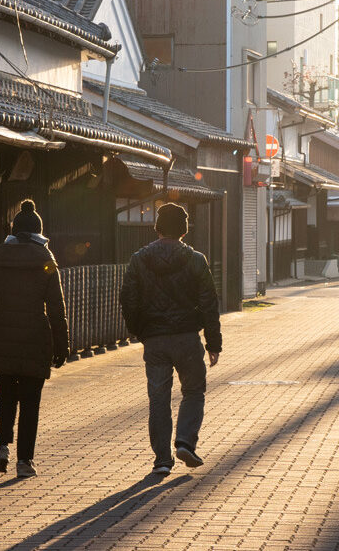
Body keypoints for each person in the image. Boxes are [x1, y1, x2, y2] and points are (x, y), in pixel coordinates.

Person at [119, 202, 221, 476]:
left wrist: (140, 330)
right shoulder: (196, 260)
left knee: (158, 398)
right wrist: (213, 344)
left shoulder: (140, 259)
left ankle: (162, 460)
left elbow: (128, 299)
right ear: (184, 231)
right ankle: (185, 441)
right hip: (187, 337)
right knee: (193, 391)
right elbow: (210, 303)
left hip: (155, 340)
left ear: (158, 228)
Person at [0, 200, 69, 478]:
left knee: (6, 397)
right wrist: (62, 346)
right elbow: (56, 307)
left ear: (14, 230)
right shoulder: (46, 260)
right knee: (30, 402)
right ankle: (24, 461)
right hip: (34, 340)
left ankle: (3, 447)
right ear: (38, 231)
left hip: (1, 336)